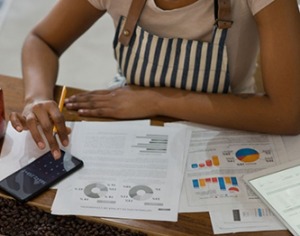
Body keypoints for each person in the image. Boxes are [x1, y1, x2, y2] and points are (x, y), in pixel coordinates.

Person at [9, 0, 300, 159]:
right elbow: (41, 40)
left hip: (233, 122)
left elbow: (287, 115)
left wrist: (156, 99)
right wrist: (36, 96)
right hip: (132, 119)